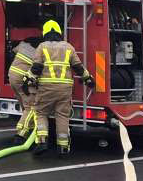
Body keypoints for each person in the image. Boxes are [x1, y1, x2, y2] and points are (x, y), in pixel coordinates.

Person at [26, 19, 88, 156]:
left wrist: (27, 81)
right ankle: (63, 146)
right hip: (65, 89)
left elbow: (36, 68)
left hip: (46, 87)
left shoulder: (42, 46)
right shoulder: (69, 47)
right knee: (62, 115)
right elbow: (78, 67)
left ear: (45, 32)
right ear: (59, 32)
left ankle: (42, 142)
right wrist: (88, 79)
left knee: (41, 113)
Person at [7, 36, 40, 140]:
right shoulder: (39, 53)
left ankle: (31, 126)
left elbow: (11, 53)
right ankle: (21, 133)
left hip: (12, 76)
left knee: (24, 104)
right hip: (22, 79)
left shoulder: (22, 44)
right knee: (30, 107)